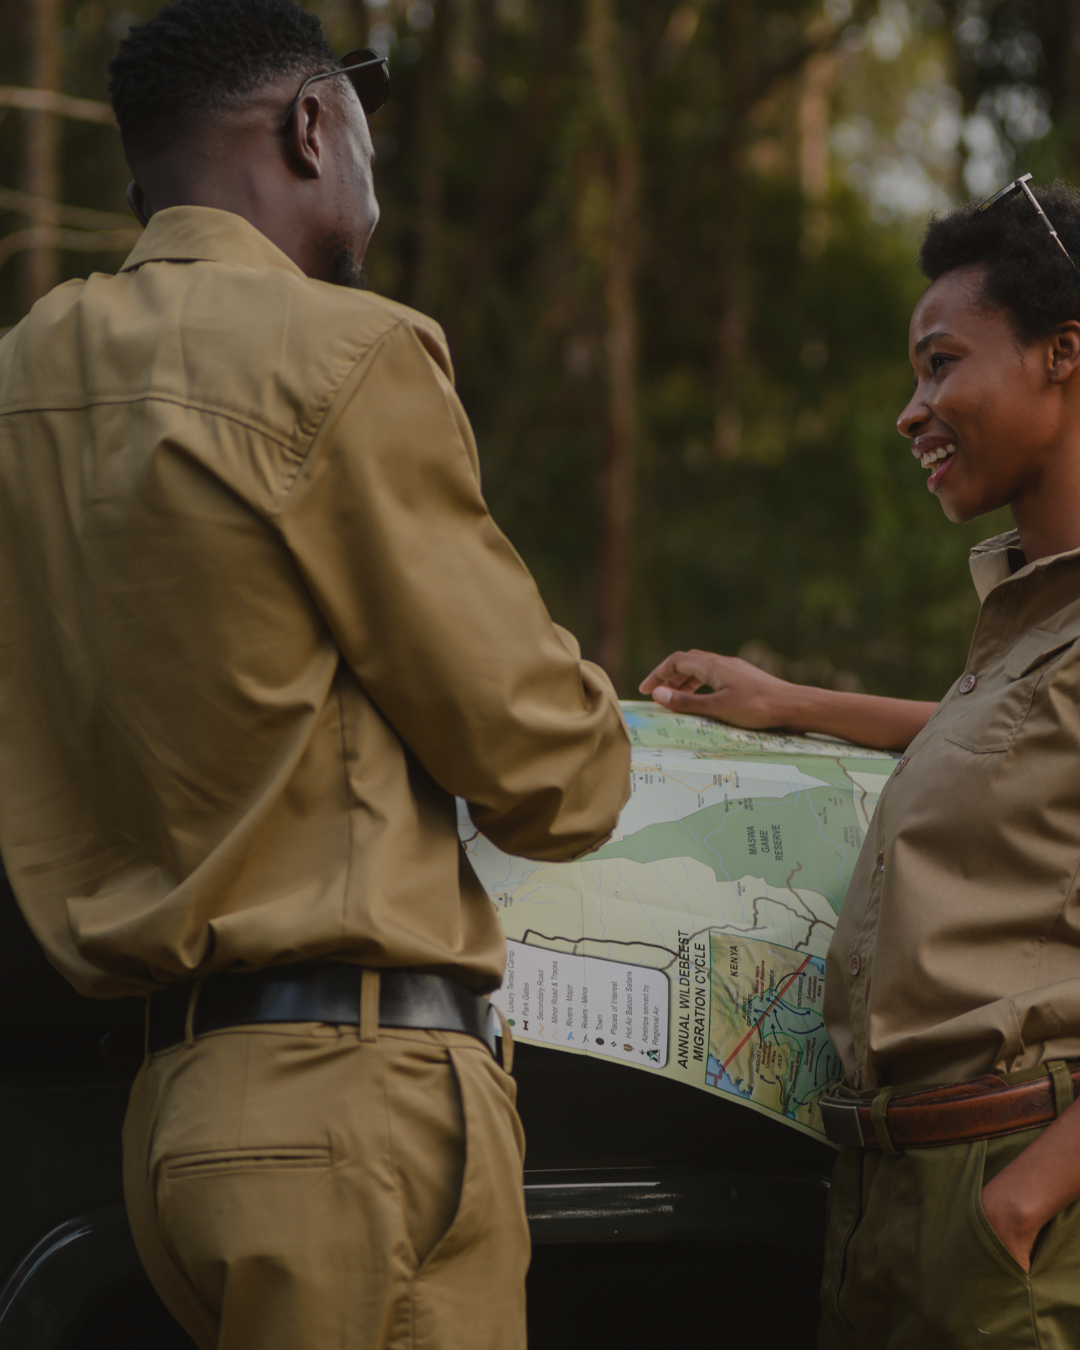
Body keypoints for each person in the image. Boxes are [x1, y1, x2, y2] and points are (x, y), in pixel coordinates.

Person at [0, 2, 631, 1348]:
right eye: (362, 134)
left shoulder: (24, 377)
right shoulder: (346, 353)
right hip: (352, 1109)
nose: (374, 183)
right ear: (307, 128)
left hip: (166, 1125)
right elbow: (551, 775)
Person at [641, 178, 1080, 1349]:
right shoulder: (1030, 626)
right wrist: (792, 702)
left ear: (1063, 354)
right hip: (891, 1193)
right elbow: (1005, 740)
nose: (910, 410)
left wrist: (1024, 1198)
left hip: (1011, 1199)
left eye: (940, 365)